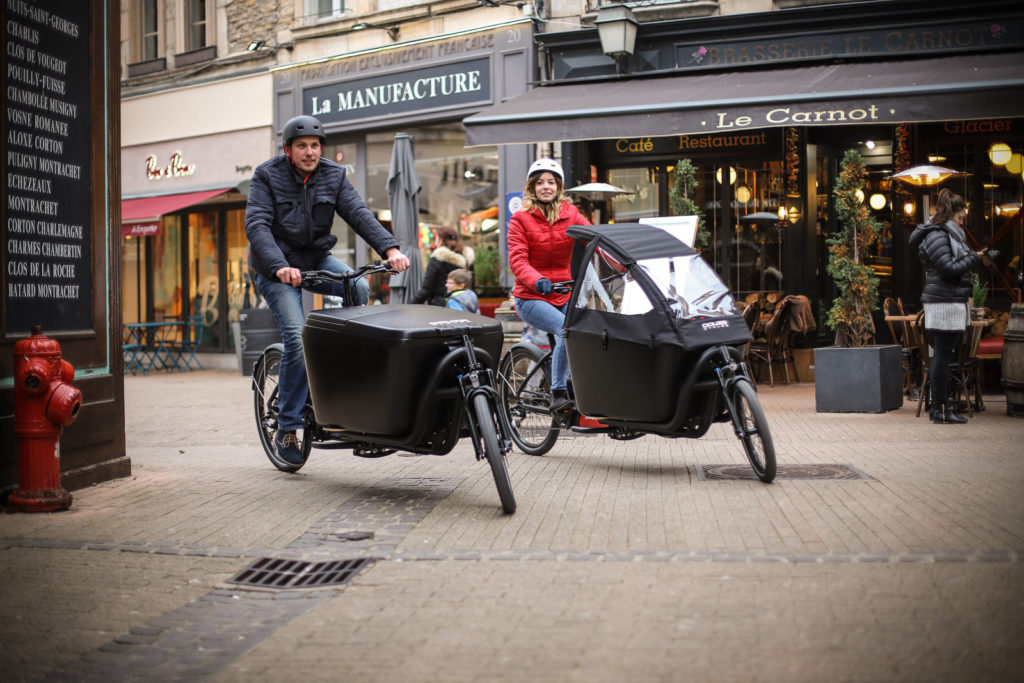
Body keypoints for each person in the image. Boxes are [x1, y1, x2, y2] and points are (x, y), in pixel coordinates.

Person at [245, 114, 411, 464]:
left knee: (360, 289)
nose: (309, 152)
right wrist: (279, 267)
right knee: (295, 335)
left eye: (315, 146)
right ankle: (288, 425)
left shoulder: (333, 175)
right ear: (288, 150)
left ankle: (336, 371)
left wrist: (390, 249)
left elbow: (358, 213)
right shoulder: (266, 175)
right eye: (302, 146)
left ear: (322, 148)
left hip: (317, 258)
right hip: (276, 268)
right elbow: (257, 225)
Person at [507, 158, 591, 413]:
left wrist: (624, 262)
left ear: (559, 187)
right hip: (531, 297)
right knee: (565, 329)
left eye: (551, 182)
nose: (546, 187)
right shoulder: (520, 219)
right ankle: (557, 392)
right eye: (540, 182)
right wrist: (537, 280)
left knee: (586, 333)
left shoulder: (572, 214)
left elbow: (595, 239)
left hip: (563, 294)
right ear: (532, 187)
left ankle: (581, 388)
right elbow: (517, 259)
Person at [908, 188, 986, 425]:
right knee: (942, 356)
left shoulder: (945, 234)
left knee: (943, 355)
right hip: (943, 303)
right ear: (950, 215)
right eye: (961, 219)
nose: (963, 224)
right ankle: (940, 410)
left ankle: (941, 409)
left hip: (948, 301)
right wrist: (974, 257)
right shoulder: (938, 235)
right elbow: (948, 268)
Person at [412, 227, 475, 306]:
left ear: (440, 241)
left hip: (440, 307)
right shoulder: (467, 258)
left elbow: (426, 289)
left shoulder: (437, 258)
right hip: (464, 304)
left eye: (436, 239)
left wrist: (411, 305)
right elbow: (472, 286)